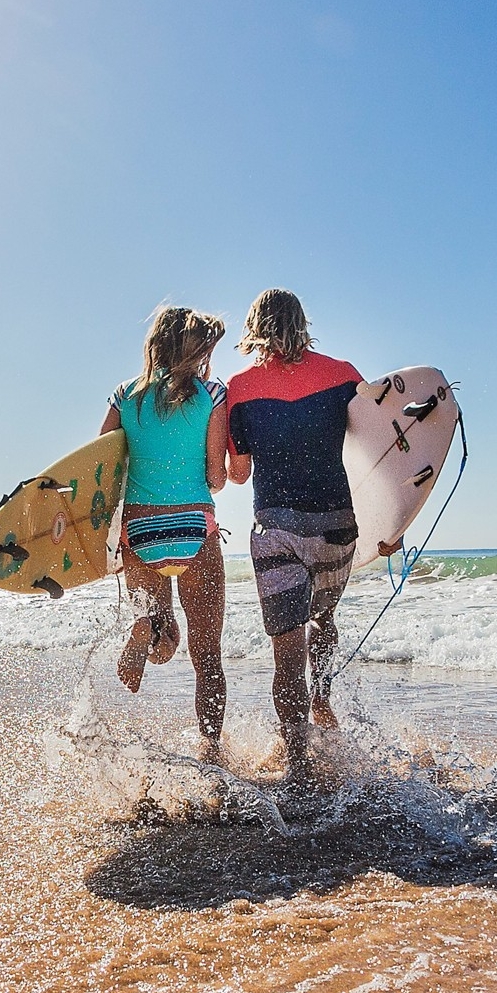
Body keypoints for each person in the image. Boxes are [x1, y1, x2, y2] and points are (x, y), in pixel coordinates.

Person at [221, 289, 362, 781]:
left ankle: (299, 763)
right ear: (303, 322)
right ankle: (322, 702)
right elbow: (384, 450)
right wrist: (393, 525)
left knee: (287, 651)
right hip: (337, 525)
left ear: (254, 327)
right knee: (323, 620)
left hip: (276, 528)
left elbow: (238, 473)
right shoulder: (344, 374)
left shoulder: (239, 388)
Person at [99, 305, 231, 755]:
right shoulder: (213, 393)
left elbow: (101, 468)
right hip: (195, 530)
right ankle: (211, 751)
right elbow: (217, 477)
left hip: (140, 534)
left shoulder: (123, 396)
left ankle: (146, 631)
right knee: (206, 655)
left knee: (165, 639)